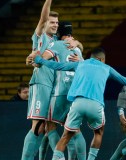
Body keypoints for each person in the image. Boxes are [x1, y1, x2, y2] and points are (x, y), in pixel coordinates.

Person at [33, 47, 126, 160]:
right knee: (98, 133)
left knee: (66, 136)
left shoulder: (80, 64)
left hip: (78, 103)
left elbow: (56, 65)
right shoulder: (106, 68)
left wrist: (39, 60)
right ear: (101, 59)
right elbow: (124, 80)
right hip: (95, 105)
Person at [21, 0, 82, 159]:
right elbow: (42, 19)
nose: (55, 25)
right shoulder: (40, 36)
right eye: (52, 22)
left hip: (54, 86)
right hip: (40, 83)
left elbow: (76, 45)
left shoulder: (56, 40)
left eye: (56, 22)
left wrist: (76, 43)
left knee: (48, 125)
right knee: (38, 125)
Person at [36, 21, 86, 160]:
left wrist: (34, 59)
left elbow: (42, 59)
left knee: (50, 125)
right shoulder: (77, 49)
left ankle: (59, 158)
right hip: (75, 94)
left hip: (60, 91)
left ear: (58, 33)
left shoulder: (56, 44)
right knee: (74, 130)